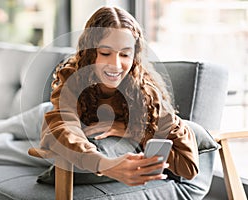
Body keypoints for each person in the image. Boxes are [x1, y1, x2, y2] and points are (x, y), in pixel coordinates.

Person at [40, 6, 199, 186]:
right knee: (8, 132)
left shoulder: (145, 92)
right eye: (105, 53)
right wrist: (105, 164)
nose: (115, 64)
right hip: (45, 113)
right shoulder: (72, 77)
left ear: (134, 56)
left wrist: (132, 132)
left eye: (125, 54)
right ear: (91, 53)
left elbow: (189, 166)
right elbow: (59, 128)